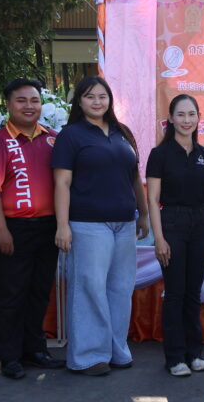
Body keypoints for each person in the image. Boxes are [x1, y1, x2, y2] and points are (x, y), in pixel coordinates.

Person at [52, 75, 149, 376]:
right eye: (90, 96)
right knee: (89, 289)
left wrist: (143, 213)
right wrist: (62, 225)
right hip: (87, 225)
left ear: (110, 101)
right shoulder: (71, 135)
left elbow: (135, 178)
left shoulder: (123, 133)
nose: (97, 102)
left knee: (120, 289)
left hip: (124, 224)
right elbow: (62, 182)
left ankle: (116, 351)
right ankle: (89, 356)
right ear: (79, 101)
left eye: (102, 96)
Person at [0, 79, 66, 380]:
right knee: (10, 294)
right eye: (21, 100)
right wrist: (0, 230)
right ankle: (10, 356)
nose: (29, 106)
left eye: (34, 100)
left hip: (47, 228)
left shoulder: (54, 139)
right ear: (8, 104)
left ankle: (35, 350)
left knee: (39, 292)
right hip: (11, 228)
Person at [146, 94, 204, 377]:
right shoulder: (160, 154)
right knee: (175, 293)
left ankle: (194, 354)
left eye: (192, 114)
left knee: (193, 293)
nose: (187, 120)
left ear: (198, 118)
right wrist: (159, 238)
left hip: (202, 225)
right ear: (171, 119)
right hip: (173, 224)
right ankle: (175, 357)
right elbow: (152, 199)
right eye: (181, 115)